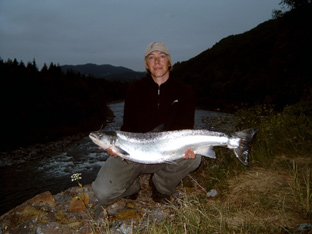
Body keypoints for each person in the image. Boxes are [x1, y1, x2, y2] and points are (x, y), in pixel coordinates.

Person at [92, 42, 202, 206]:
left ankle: (160, 186)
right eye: (152, 57)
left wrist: (188, 148)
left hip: (168, 153)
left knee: (195, 157)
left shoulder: (184, 90)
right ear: (146, 64)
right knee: (102, 193)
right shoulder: (135, 89)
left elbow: (186, 128)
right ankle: (132, 185)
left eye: (162, 57)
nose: (157, 61)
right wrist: (116, 151)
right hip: (131, 155)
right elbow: (128, 126)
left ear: (169, 62)